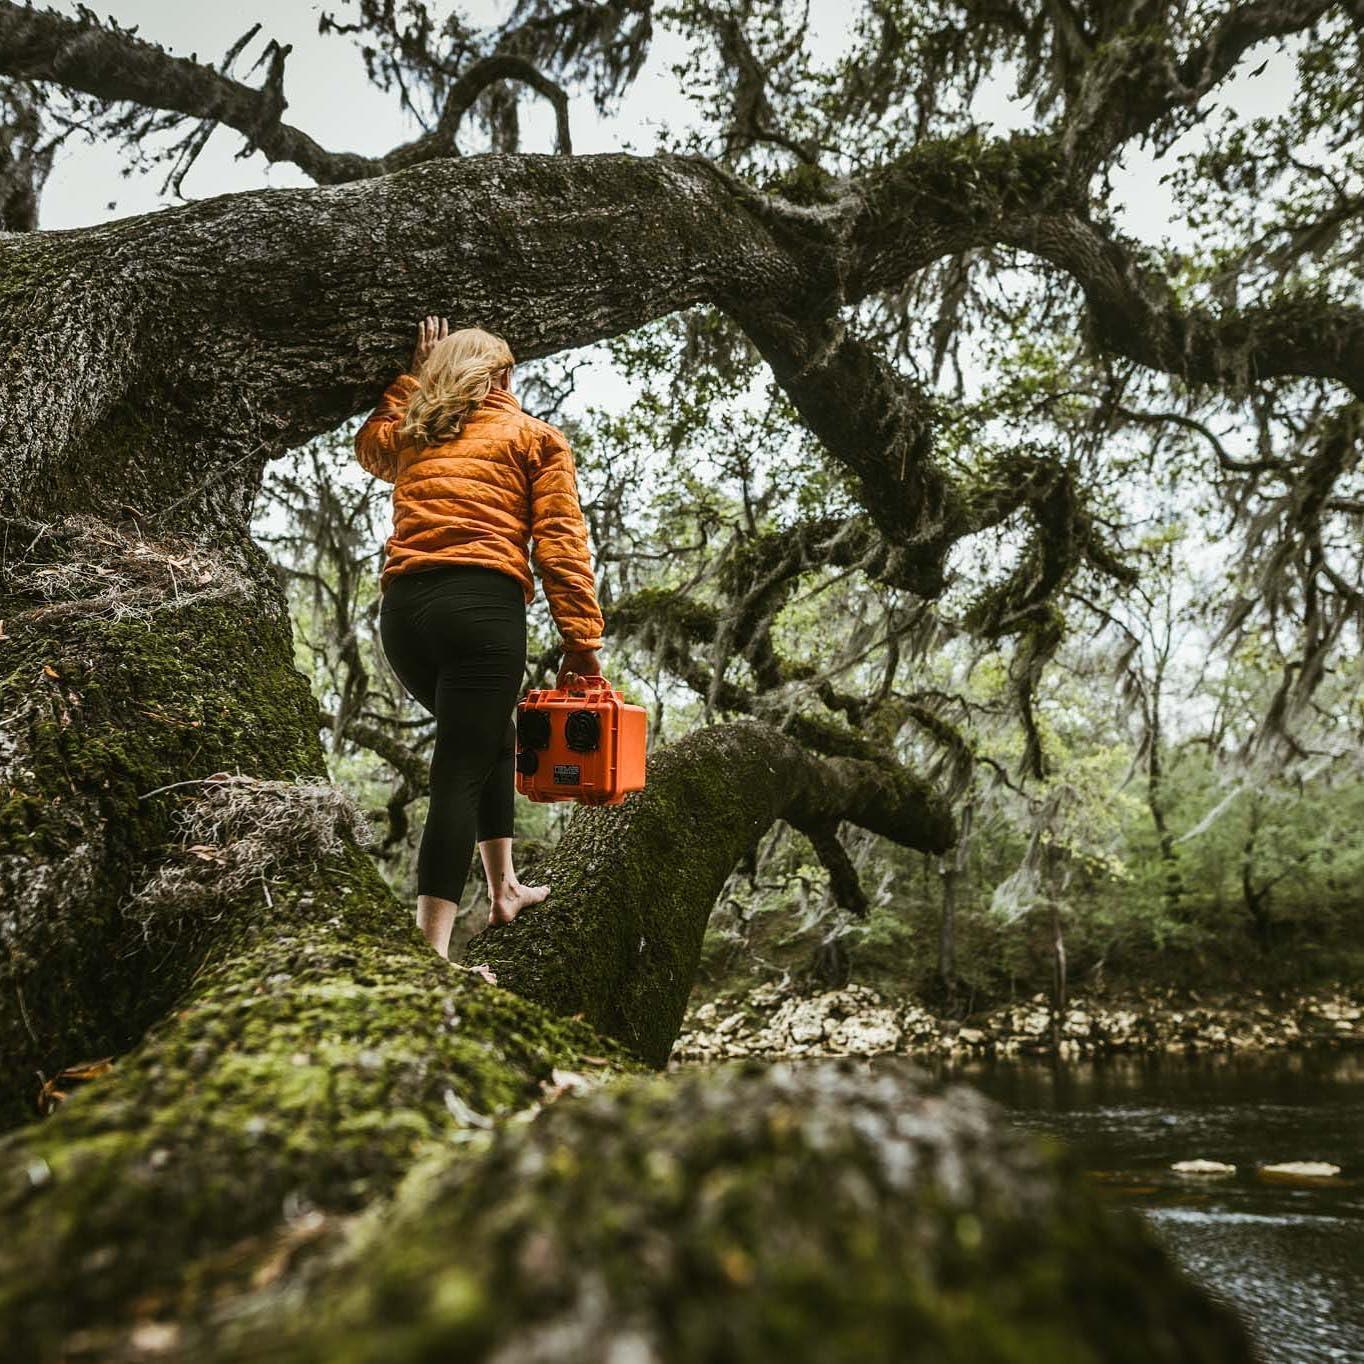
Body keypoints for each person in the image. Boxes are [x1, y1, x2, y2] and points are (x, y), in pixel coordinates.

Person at [355, 316, 605, 958]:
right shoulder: (535, 439)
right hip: (480, 611)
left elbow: (370, 446)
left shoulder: (413, 433)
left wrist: (412, 376)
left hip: (404, 616)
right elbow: (561, 548)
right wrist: (581, 646)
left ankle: (504, 891)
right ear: (504, 376)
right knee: (459, 772)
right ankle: (430, 954)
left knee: (494, 739)